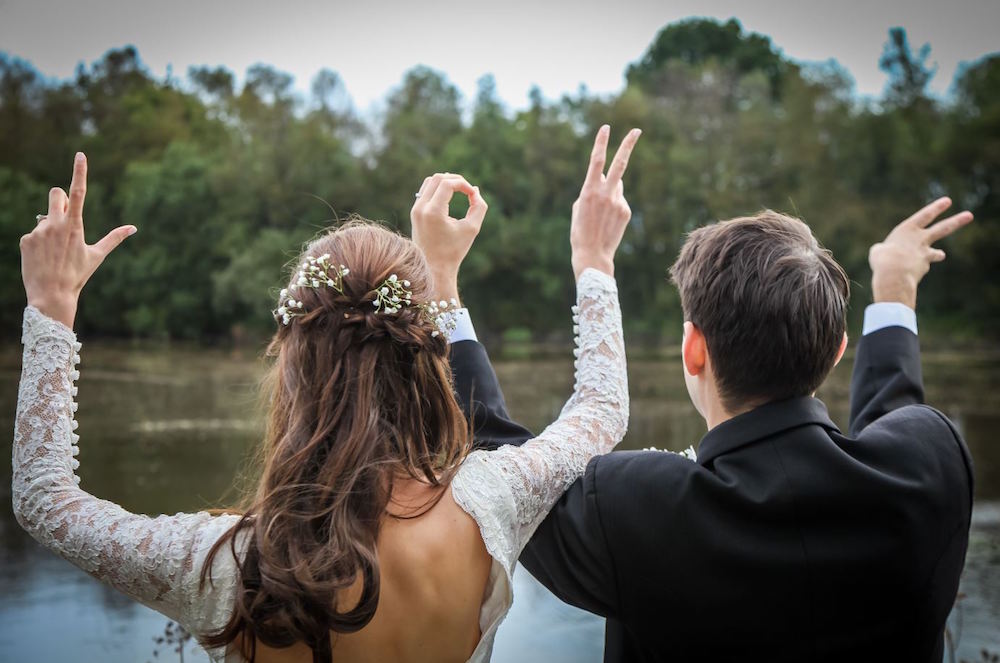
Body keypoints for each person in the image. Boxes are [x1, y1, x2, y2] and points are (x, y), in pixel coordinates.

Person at [12, 126, 637, 663]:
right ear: (419, 357)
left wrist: (51, 308)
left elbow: (43, 498)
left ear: (293, 363)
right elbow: (601, 407)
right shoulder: (490, 504)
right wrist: (592, 258)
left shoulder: (223, 566)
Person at [447, 170, 975, 660]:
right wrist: (894, 294)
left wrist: (581, 261)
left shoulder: (637, 514)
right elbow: (899, 419)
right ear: (837, 352)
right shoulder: (929, 469)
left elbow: (504, 476)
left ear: (693, 350)